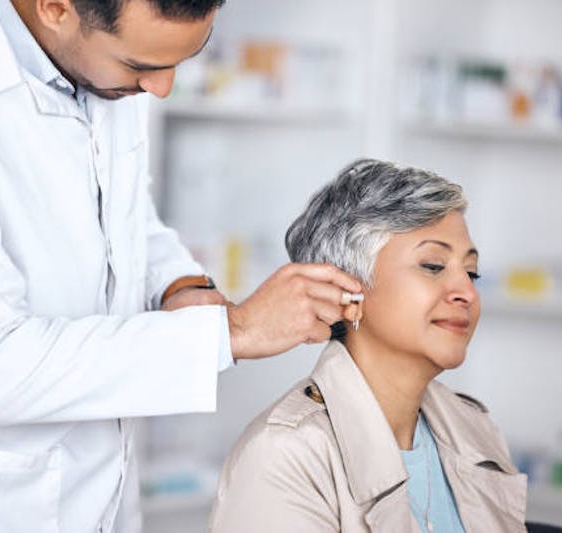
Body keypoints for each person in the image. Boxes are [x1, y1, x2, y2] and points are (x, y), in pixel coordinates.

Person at [0, 0, 362, 531]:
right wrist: (233, 332)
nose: (161, 89)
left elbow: (123, 217)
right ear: (55, 8)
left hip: (95, 491)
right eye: (141, 67)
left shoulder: (95, 64)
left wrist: (178, 283)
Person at [209, 159, 528, 532]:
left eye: (471, 272)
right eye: (433, 266)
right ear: (346, 291)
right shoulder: (284, 455)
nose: (467, 293)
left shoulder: (473, 428)